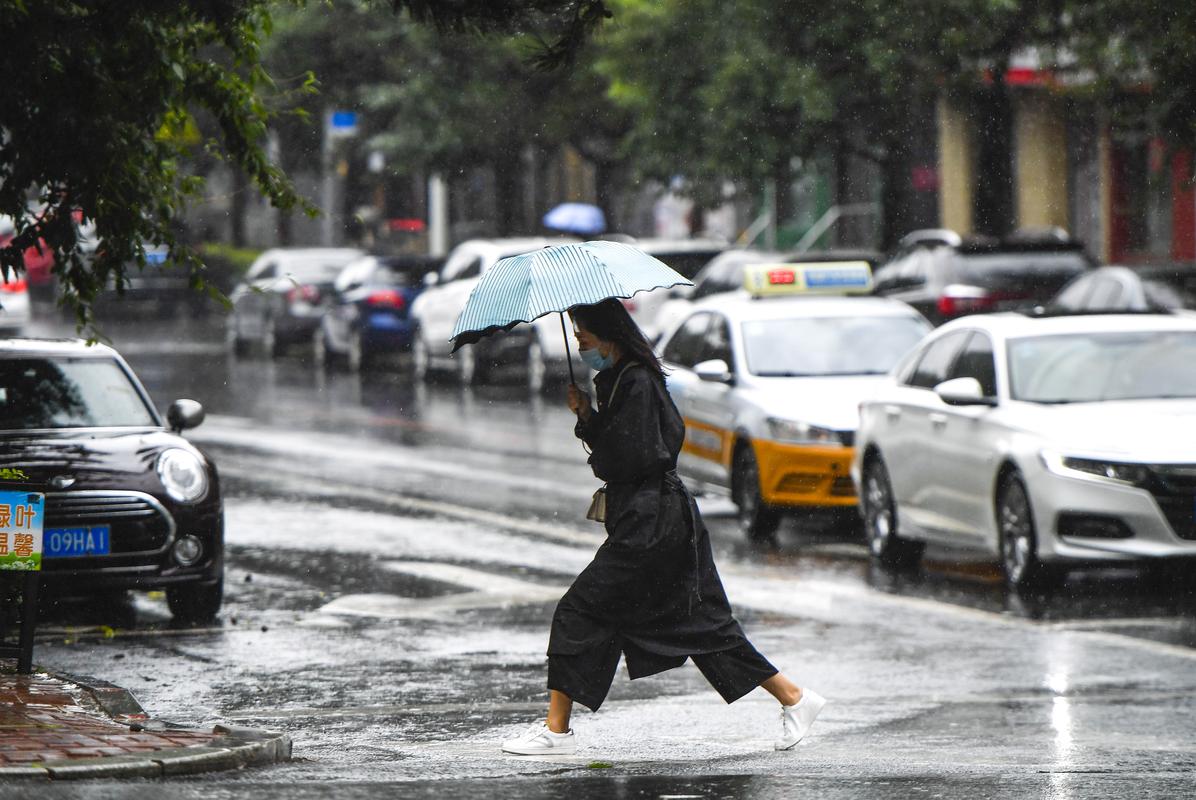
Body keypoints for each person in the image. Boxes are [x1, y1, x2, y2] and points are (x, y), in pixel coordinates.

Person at [501, 298, 825, 756]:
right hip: (654, 518)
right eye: (575, 337)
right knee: (698, 623)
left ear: (608, 335)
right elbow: (625, 450)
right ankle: (795, 698)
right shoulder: (619, 379)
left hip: (653, 523)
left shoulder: (636, 381)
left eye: (584, 336)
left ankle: (556, 732)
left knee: (580, 610)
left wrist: (592, 424)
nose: (579, 344)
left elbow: (635, 456)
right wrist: (588, 416)